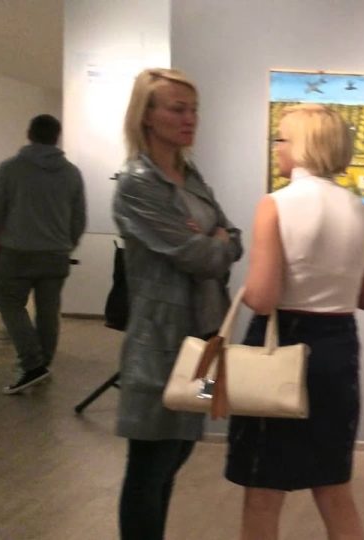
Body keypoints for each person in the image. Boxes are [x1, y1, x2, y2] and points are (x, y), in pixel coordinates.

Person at [226, 104, 364, 540]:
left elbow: (262, 299)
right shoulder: (362, 212)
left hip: (280, 347)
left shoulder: (274, 205)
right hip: (338, 348)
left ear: (301, 146)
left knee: (263, 491)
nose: (276, 148)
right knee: (334, 488)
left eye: (281, 138)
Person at [112, 68, 242, 540]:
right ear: (147, 115)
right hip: (159, 344)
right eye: (177, 109)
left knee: (180, 452)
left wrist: (215, 241)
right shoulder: (137, 183)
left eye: (194, 110)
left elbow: (234, 238)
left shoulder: (191, 176)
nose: (190, 119)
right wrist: (211, 241)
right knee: (150, 464)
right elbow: (198, 255)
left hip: (206, 339)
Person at [0, 114, 86, 394]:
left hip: (17, 251)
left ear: (29, 134)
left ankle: (32, 364)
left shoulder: (10, 169)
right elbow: (79, 218)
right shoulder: (71, 173)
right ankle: (42, 364)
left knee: (9, 303)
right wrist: (66, 243)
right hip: (56, 254)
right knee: (48, 311)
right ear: (57, 137)